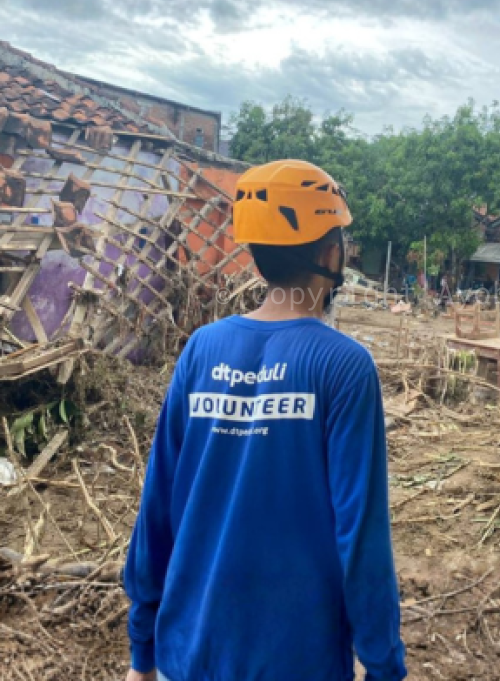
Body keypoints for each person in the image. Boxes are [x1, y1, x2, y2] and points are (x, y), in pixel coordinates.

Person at [124, 159, 406, 681]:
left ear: (256, 259)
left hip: (187, 654)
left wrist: (143, 647)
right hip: (296, 661)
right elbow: (362, 536)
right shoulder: (343, 366)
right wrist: (384, 664)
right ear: (330, 253)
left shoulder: (202, 350)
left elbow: (156, 504)